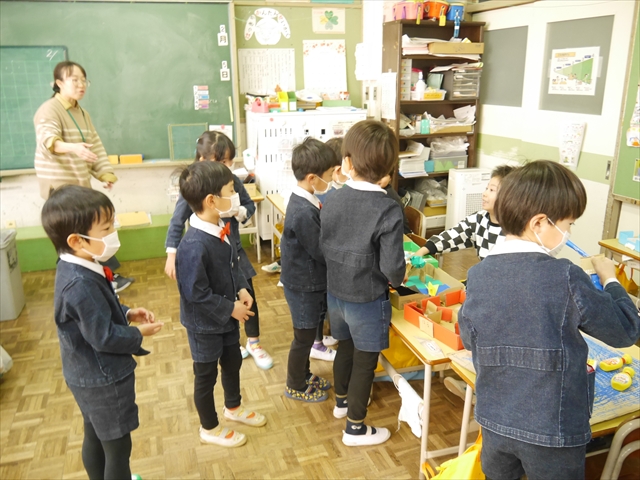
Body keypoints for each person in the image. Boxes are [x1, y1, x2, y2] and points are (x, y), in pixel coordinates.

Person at [459, 160, 640, 479]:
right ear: (540, 223)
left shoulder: (478, 274)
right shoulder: (565, 276)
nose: (568, 233)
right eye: (568, 224)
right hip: (552, 428)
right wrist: (611, 280)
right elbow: (626, 329)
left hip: (495, 420)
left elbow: (470, 339)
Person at [41, 185, 163, 479]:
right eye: (106, 228)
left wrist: (127, 313)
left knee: (95, 434)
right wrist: (139, 333)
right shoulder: (80, 283)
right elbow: (103, 336)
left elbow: (93, 314)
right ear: (76, 240)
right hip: (103, 379)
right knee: (118, 447)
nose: (113, 232)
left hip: (84, 375)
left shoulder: (78, 264)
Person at [320, 120, 406, 446]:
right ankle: (355, 428)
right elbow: (392, 267)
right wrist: (398, 278)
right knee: (365, 362)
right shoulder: (388, 208)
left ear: (347, 163)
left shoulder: (332, 199)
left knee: (345, 347)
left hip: (335, 293)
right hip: (367, 298)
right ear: (388, 172)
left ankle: (342, 402)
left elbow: (325, 244)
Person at [176, 161, 267, 447]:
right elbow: (195, 293)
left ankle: (233, 407)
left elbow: (231, 264)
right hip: (205, 325)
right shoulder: (193, 245)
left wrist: (241, 287)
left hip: (226, 318)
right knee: (206, 375)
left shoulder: (219, 226)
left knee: (232, 362)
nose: (235, 196)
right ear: (212, 201)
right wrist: (231, 309)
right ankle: (209, 427)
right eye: (230, 191)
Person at [164, 131, 273, 369]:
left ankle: (254, 342)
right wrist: (172, 254)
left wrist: (238, 211)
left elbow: (248, 205)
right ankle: (229, 340)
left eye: (229, 161)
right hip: (210, 253)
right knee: (220, 296)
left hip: (233, 249)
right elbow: (177, 221)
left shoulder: (229, 179)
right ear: (204, 159)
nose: (228, 166)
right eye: (222, 161)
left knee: (247, 293)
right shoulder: (195, 184)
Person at [34, 61, 133, 293]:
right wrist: (73, 148)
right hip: (60, 190)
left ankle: (106, 277)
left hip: (79, 186)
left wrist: (104, 173)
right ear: (59, 83)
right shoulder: (49, 109)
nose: (81, 85)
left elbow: (94, 145)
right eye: (74, 80)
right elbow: (49, 141)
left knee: (91, 232)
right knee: (75, 239)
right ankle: (81, 283)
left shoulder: (82, 113)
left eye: (83, 80)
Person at [281, 138, 337, 402]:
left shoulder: (307, 200)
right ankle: (294, 384)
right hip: (303, 285)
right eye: (329, 175)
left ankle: (304, 374)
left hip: (308, 282)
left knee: (306, 332)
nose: (331, 180)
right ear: (313, 178)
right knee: (303, 338)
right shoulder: (302, 211)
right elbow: (320, 250)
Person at [413, 164, 516, 260]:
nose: (484, 193)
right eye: (486, 188)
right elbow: (451, 236)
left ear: (508, 196)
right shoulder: (478, 219)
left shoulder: (516, 230)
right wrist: (422, 251)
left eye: (492, 190)